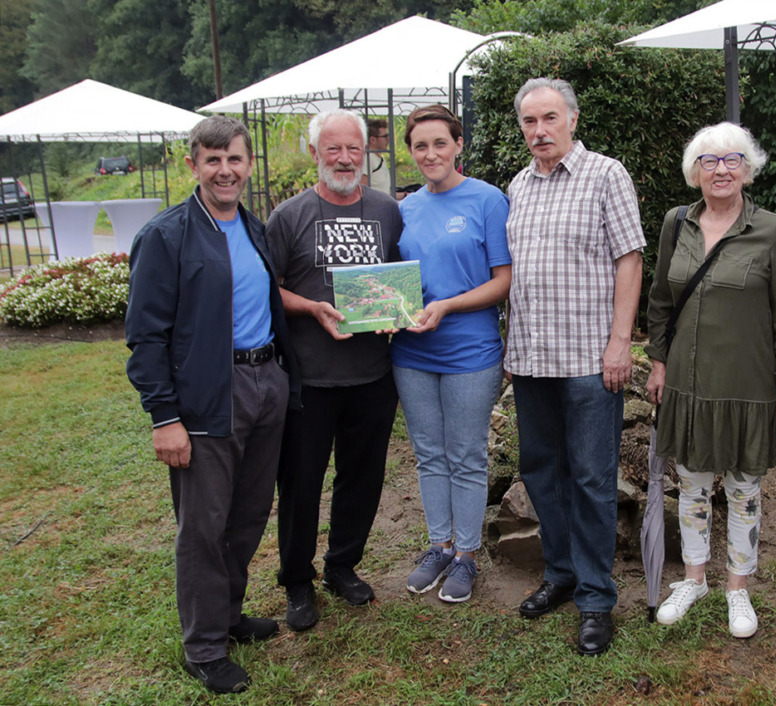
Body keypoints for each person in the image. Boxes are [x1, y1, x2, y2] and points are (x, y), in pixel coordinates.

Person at [125, 115, 299, 694]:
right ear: (193, 164)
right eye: (213, 159)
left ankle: (228, 615)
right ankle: (202, 647)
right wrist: (165, 417)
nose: (225, 170)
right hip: (206, 398)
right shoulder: (167, 235)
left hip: (264, 382)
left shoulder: (252, 226)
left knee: (249, 514)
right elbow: (146, 337)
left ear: (249, 165)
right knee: (203, 525)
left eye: (235, 159)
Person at [505, 77, 645, 656]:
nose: (539, 131)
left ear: (572, 120)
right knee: (541, 470)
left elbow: (630, 260)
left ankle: (595, 597)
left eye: (549, 119)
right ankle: (560, 574)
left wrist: (621, 343)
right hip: (533, 359)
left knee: (591, 478)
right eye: (529, 122)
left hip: (590, 358)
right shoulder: (517, 185)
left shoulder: (606, 174)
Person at [644, 123, 776, 638]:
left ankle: (738, 589)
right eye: (709, 161)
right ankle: (692, 579)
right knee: (689, 484)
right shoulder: (675, 223)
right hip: (687, 382)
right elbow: (662, 301)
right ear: (695, 172)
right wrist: (659, 363)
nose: (721, 170)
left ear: (748, 169)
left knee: (742, 489)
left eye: (732, 159)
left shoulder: (773, 230)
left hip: (747, 385)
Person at [266, 110, 402, 633]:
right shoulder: (289, 216)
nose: (344, 159)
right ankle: (296, 581)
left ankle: (341, 566)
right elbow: (270, 287)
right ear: (315, 154)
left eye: (353, 149)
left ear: (365, 152)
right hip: (309, 379)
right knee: (300, 483)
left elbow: (395, 276)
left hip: (372, 374)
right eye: (332, 150)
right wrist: (313, 308)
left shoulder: (387, 210)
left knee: (362, 478)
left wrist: (396, 312)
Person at [390, 105, 512, 603]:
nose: (431, 153)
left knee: (466, 454)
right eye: (420, 146)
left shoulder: (487, 200)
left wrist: (446, 306)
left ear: (459, 144)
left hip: (470, 352)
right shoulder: (403, 209)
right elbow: (393, 282)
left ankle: (466, 556)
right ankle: (437, 546)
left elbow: (503, 282)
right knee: (428, 454)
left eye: (440, 143)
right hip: (411, 352)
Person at [364, 118, 393, 195]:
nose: (388, 140)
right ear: (373, 140)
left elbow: (385, 191)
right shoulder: (367, 159)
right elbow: (362, 191)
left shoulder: (380, 158)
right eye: (385, 137)